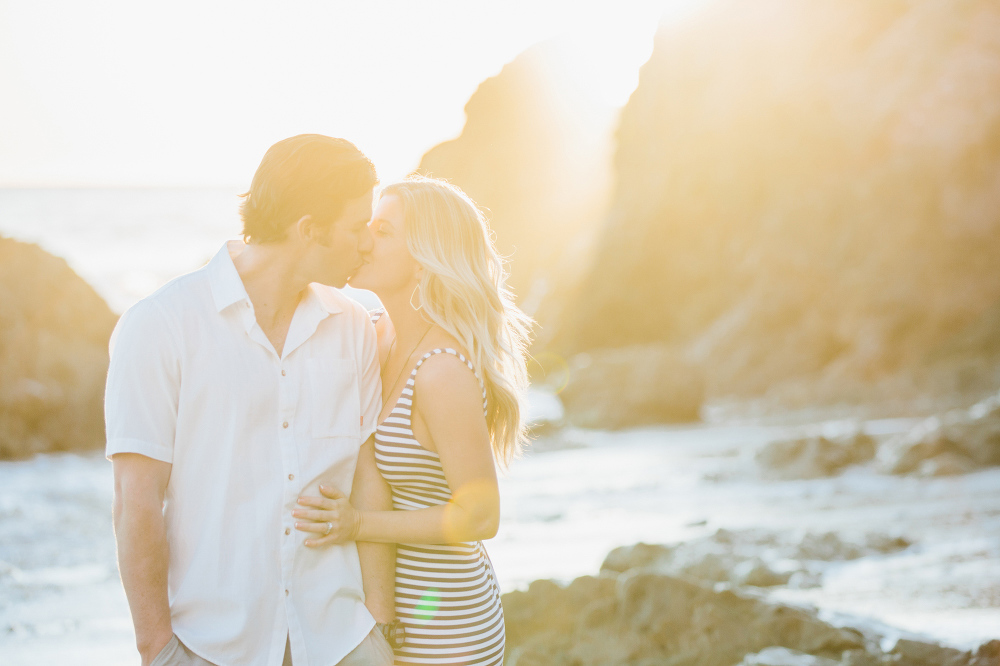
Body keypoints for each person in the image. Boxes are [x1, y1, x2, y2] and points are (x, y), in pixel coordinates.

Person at [105, 134, 396, 666]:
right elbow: (135, 499)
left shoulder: (353, 326)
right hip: (211, 647)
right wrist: (158, 650)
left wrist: (380, 624)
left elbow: (367, 473)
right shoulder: (161, 326)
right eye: (357, 228)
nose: (367, 244)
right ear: (309, 229)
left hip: (341, 641)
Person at [291, 176, 533, 666]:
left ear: (424, 255)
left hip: (447, 619)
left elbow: (481, 516)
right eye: (367, 227)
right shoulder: (376, 335)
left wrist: (357, 524)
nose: (364, 241)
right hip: (382, 613)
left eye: (383, 232)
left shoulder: (442, 371)